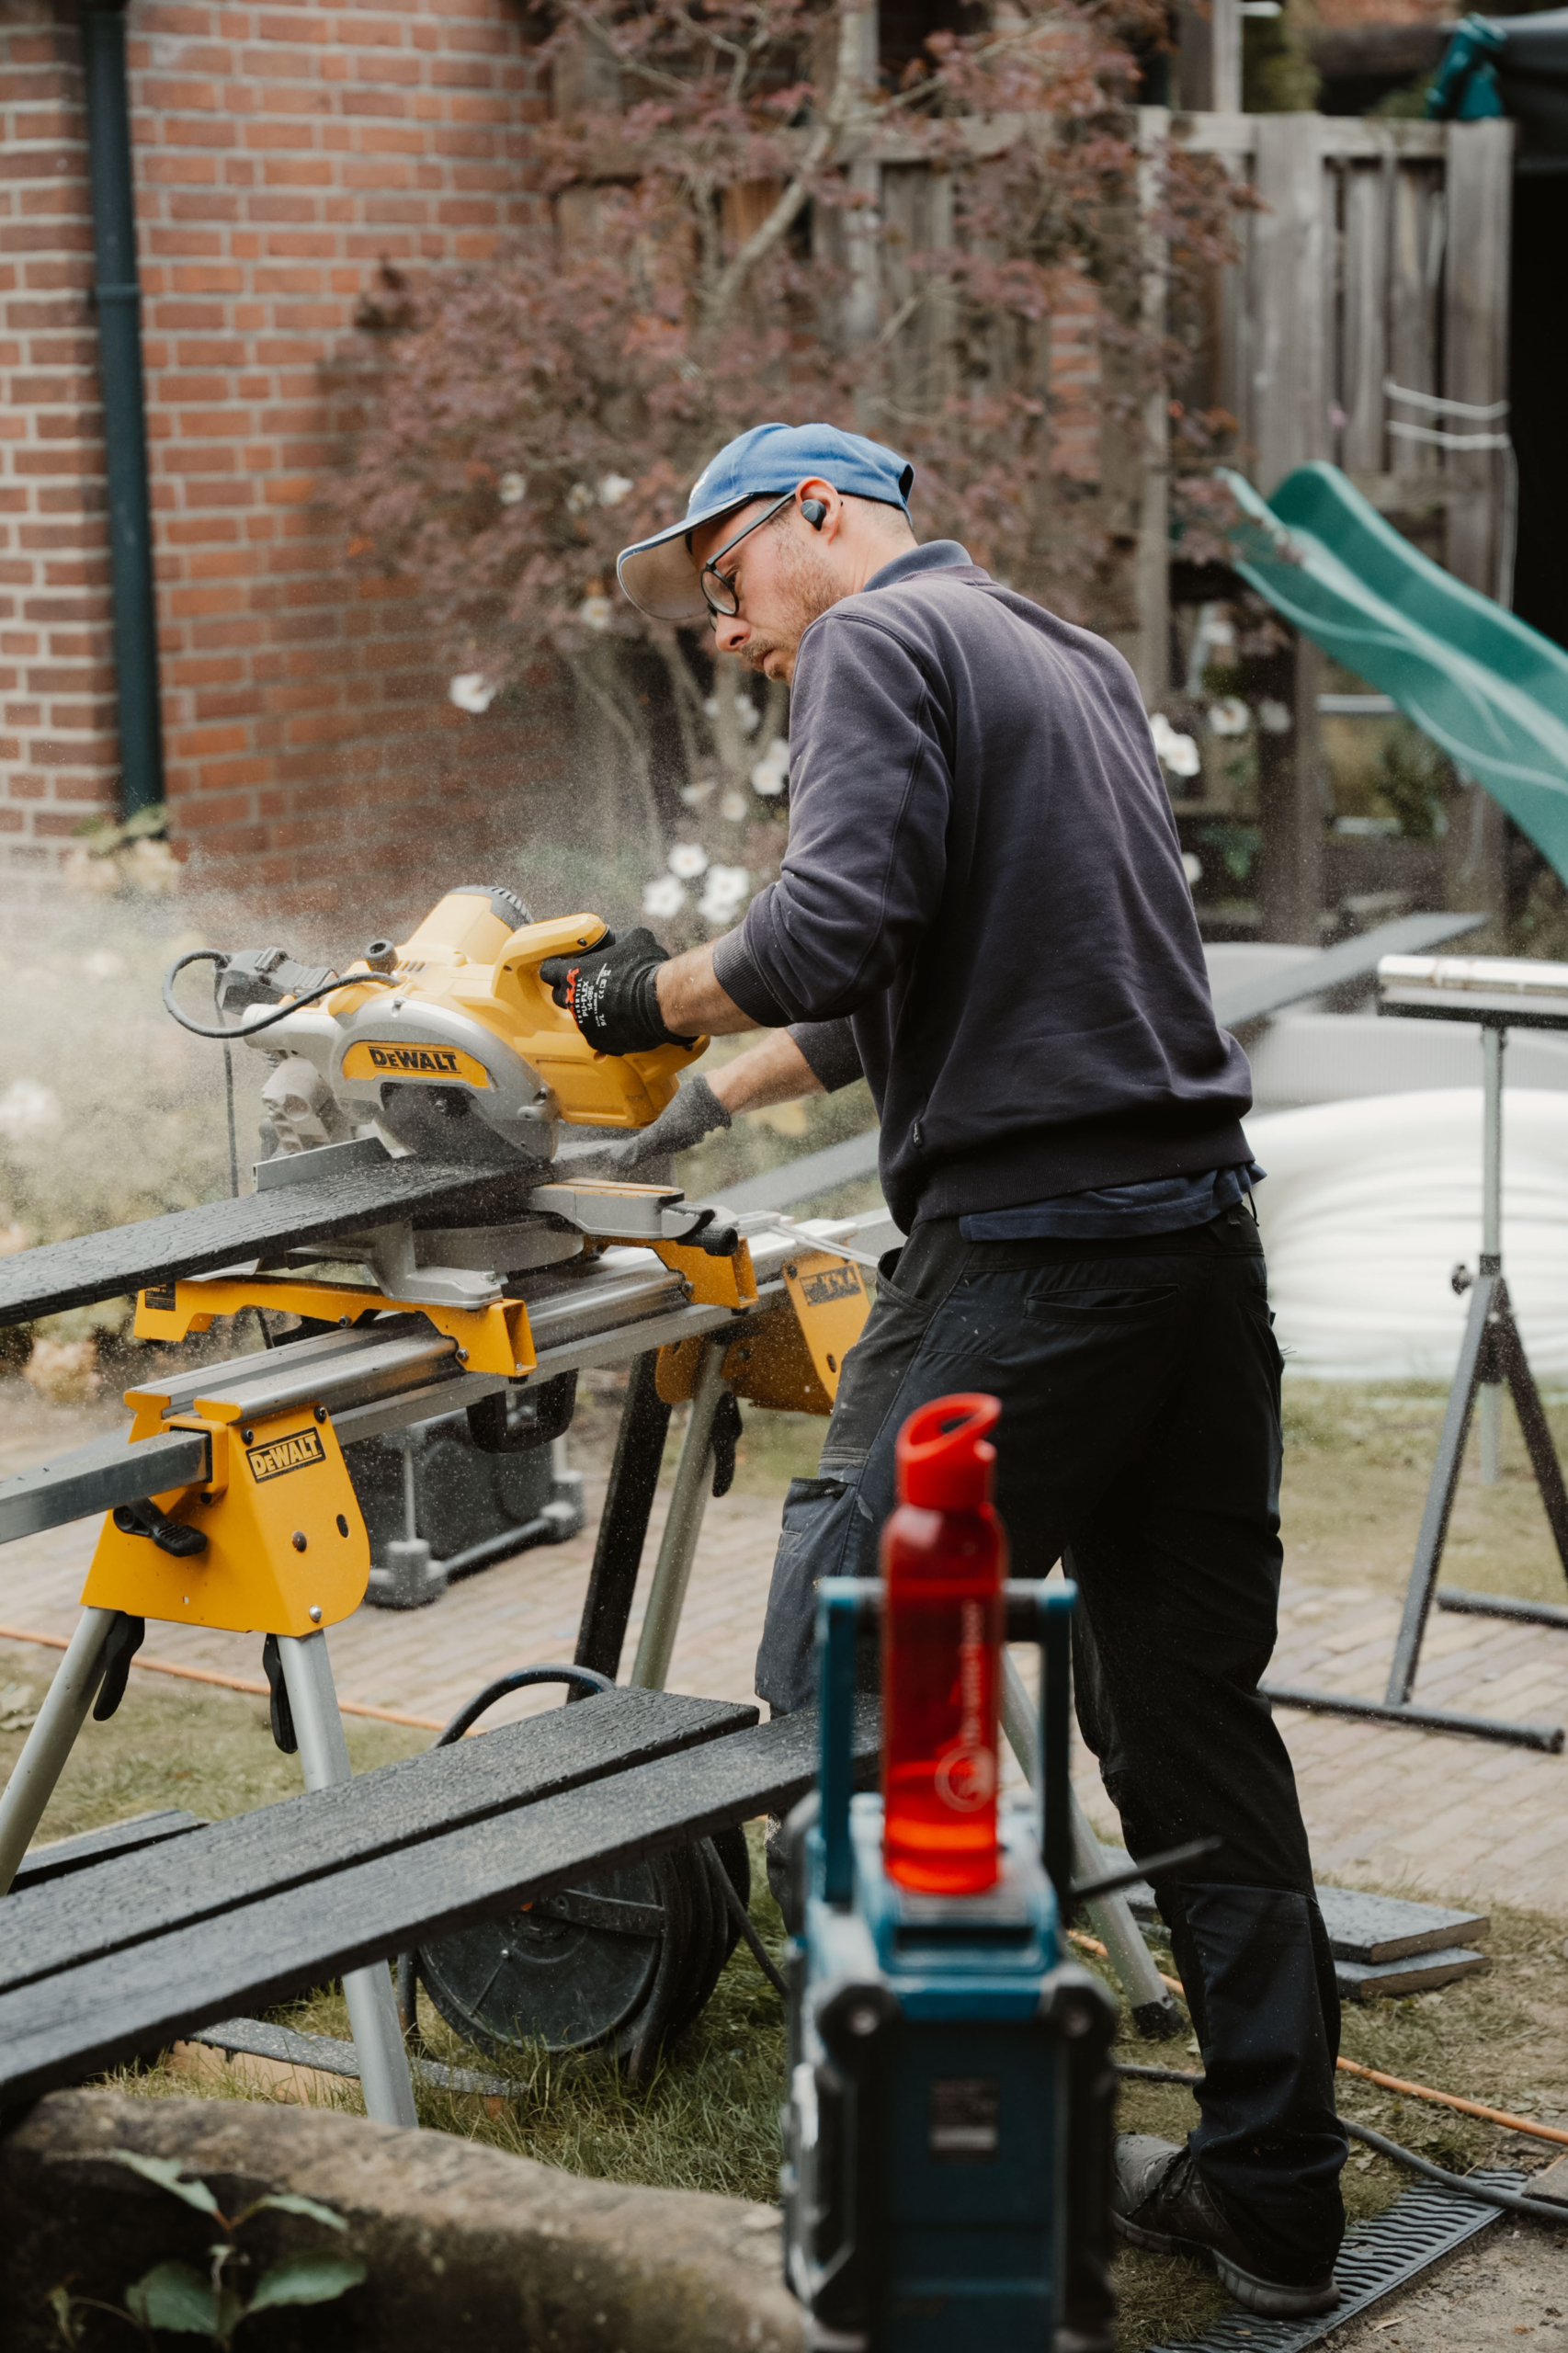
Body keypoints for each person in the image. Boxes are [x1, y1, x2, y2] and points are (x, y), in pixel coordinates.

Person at [539, 420, 1346, 2320]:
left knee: (844, 1676)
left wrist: (637, 1000)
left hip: (1035, 1261)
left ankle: (926, 2197)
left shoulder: (870, 648)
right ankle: (1270, 2186)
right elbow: (906, 974)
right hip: (1186, 1249)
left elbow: (833, 921)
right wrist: (687, 1096)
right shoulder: (1055, 650)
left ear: (816, 512)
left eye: (724, 575)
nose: (731, 628)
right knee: (1183, 1718)